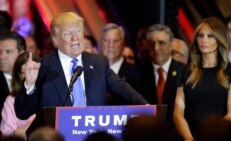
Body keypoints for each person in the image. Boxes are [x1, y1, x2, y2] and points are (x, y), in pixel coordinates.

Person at [14, 12, 148, 120]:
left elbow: (121, 88)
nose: (75, 38)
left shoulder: (99, 63)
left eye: (78, 31)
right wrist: (30, 86)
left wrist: (146, 107)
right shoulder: (42, 67)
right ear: (55, 40)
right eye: (67, 34)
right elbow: (22, 113)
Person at [173, 17, 231, 141]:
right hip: (189, 134)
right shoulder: (184, 71)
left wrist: (211, 133)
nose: (204, 40)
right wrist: (189, 138)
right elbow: (178, 114)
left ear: (220, 40)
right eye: (200, 35)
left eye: (210, 36)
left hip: (218, 135)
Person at [125, 24, 185, 138]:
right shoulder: (135, 75)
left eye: (161, 43)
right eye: (152, 43)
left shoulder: (186, 72)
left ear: (171, 45)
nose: (156, 48)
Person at [1, 52, 38, 139]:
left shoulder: (50, 94)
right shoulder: (11, 100)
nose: (30, 75)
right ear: (19, 75)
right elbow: (7, 136)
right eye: (25, 72)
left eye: (33, 69)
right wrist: (36, 123)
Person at [98, 23, 137, 105]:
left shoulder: (137, 74)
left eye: (115, 41)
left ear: (123, 45)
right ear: (100, 44)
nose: (111, 45)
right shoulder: (89, 72)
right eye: (106, 41)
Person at [0, 31, 26, 122]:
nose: (2, 57)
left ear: (21, 54)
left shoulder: (33, 77)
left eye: (8, 52)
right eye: (0, 52)